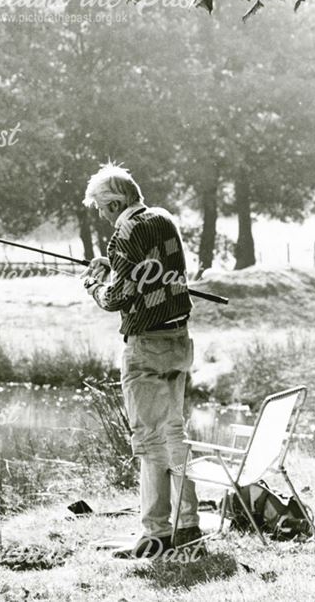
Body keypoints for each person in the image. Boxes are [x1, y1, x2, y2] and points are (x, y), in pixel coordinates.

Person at [81, 163, 202, 559]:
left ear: (116, 202)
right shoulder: (163, 219)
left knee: (149, 442)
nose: (101, 214)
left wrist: (93, 284)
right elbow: (144, 270)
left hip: (146, 346)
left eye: (102, 207)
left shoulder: (125, 232)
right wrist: (111, 266)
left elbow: (117, 298)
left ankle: (155, 534)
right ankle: (188, 527)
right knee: (175, 434)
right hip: (179, 341)